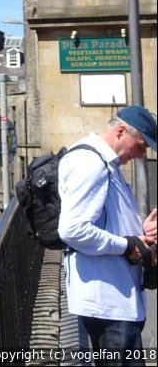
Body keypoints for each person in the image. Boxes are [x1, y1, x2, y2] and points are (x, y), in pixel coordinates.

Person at [58, 105, 157, 366]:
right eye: (140, 146)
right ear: (120, 131)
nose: (139, 155)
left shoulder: (105, 162)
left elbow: (105, 221)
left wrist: (140, 232)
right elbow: (72, 229)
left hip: (116, 296)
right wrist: (127, 245)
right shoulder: (91, 163)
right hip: (108, 301)